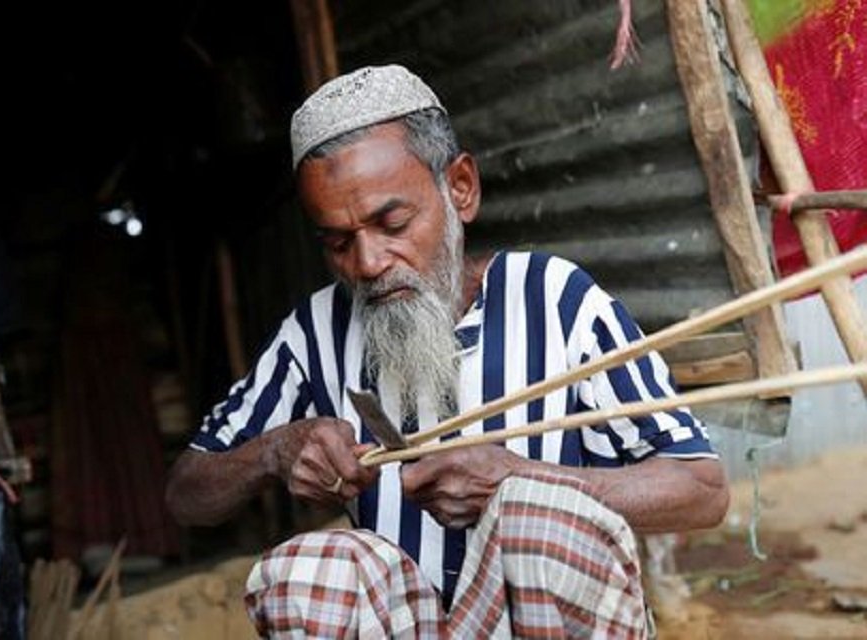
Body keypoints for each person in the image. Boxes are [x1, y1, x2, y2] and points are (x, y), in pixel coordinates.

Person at [166, 64, 729, 638]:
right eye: (338, 242)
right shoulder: (315, 332)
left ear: (460, 188)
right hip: (413, 623)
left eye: (393, 222)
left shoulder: (556, 299)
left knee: (535, 516)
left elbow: (702, 488)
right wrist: (275, 452)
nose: (367, 263)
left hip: (545, 623)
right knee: (306, 576)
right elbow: (187, 492)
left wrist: (524, 481)